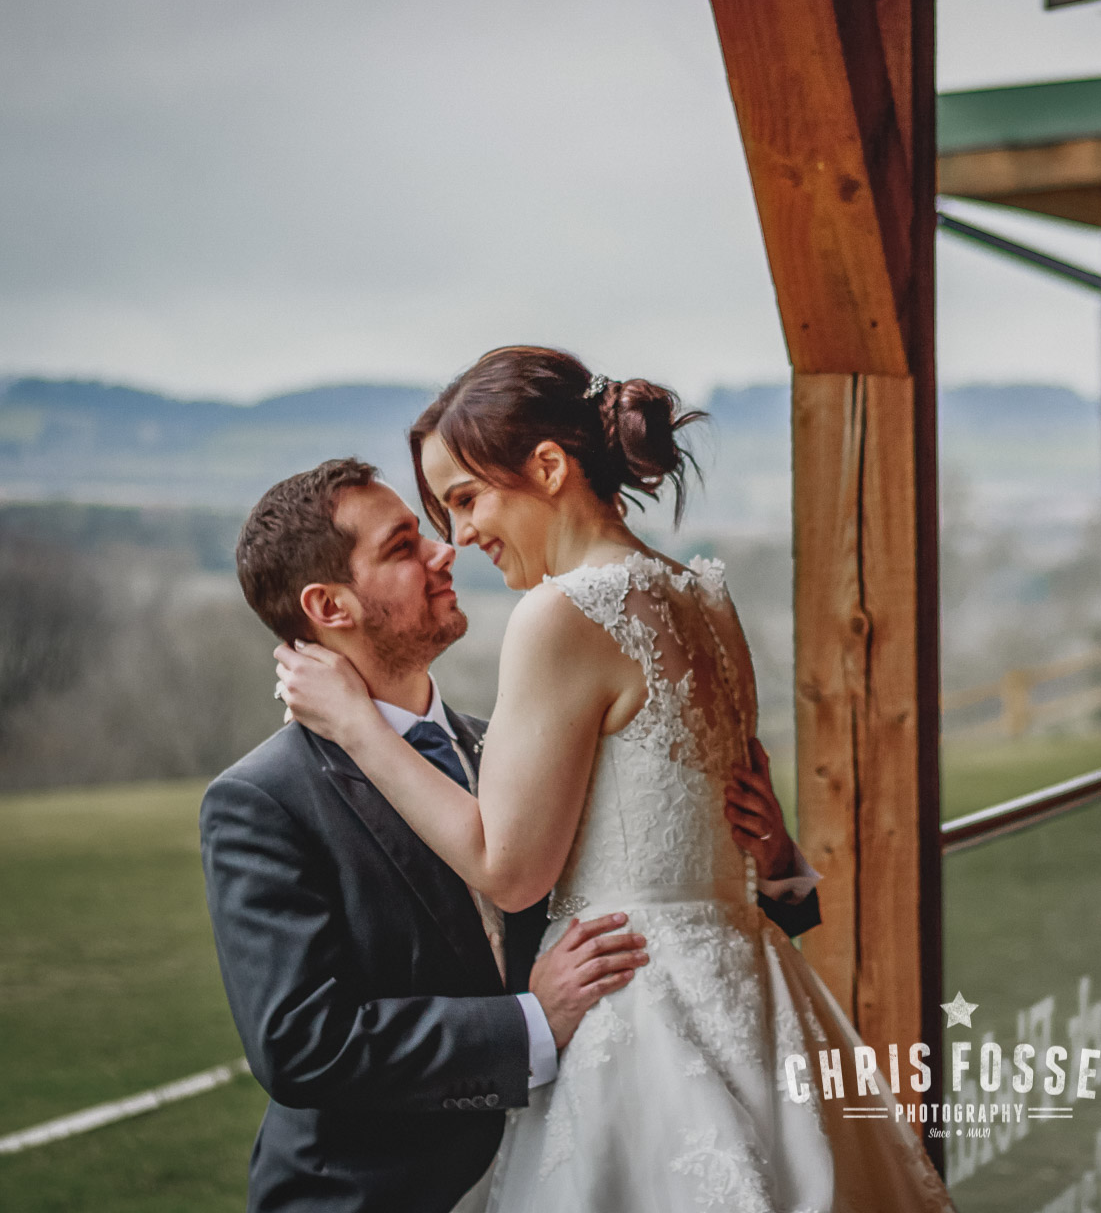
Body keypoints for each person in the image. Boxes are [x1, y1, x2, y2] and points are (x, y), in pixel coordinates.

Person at [274, 347, 954, 1212]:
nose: (461, 537)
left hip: (641, 1013)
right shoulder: (701, 594)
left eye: (465, 499)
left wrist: (358, 727)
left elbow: (511, 868)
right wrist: (776, 852)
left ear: (549, 468)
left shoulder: (560, 613)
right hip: (751, 989)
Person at [203, 455, 823, 1213]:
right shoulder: (264, 801)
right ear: (331, 607)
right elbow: (303, 1044)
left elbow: (684, 914)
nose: (446, 550)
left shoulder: (514, 749)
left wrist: (775, 862)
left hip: (588, 1164)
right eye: (403, 547)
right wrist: (530, 1024)